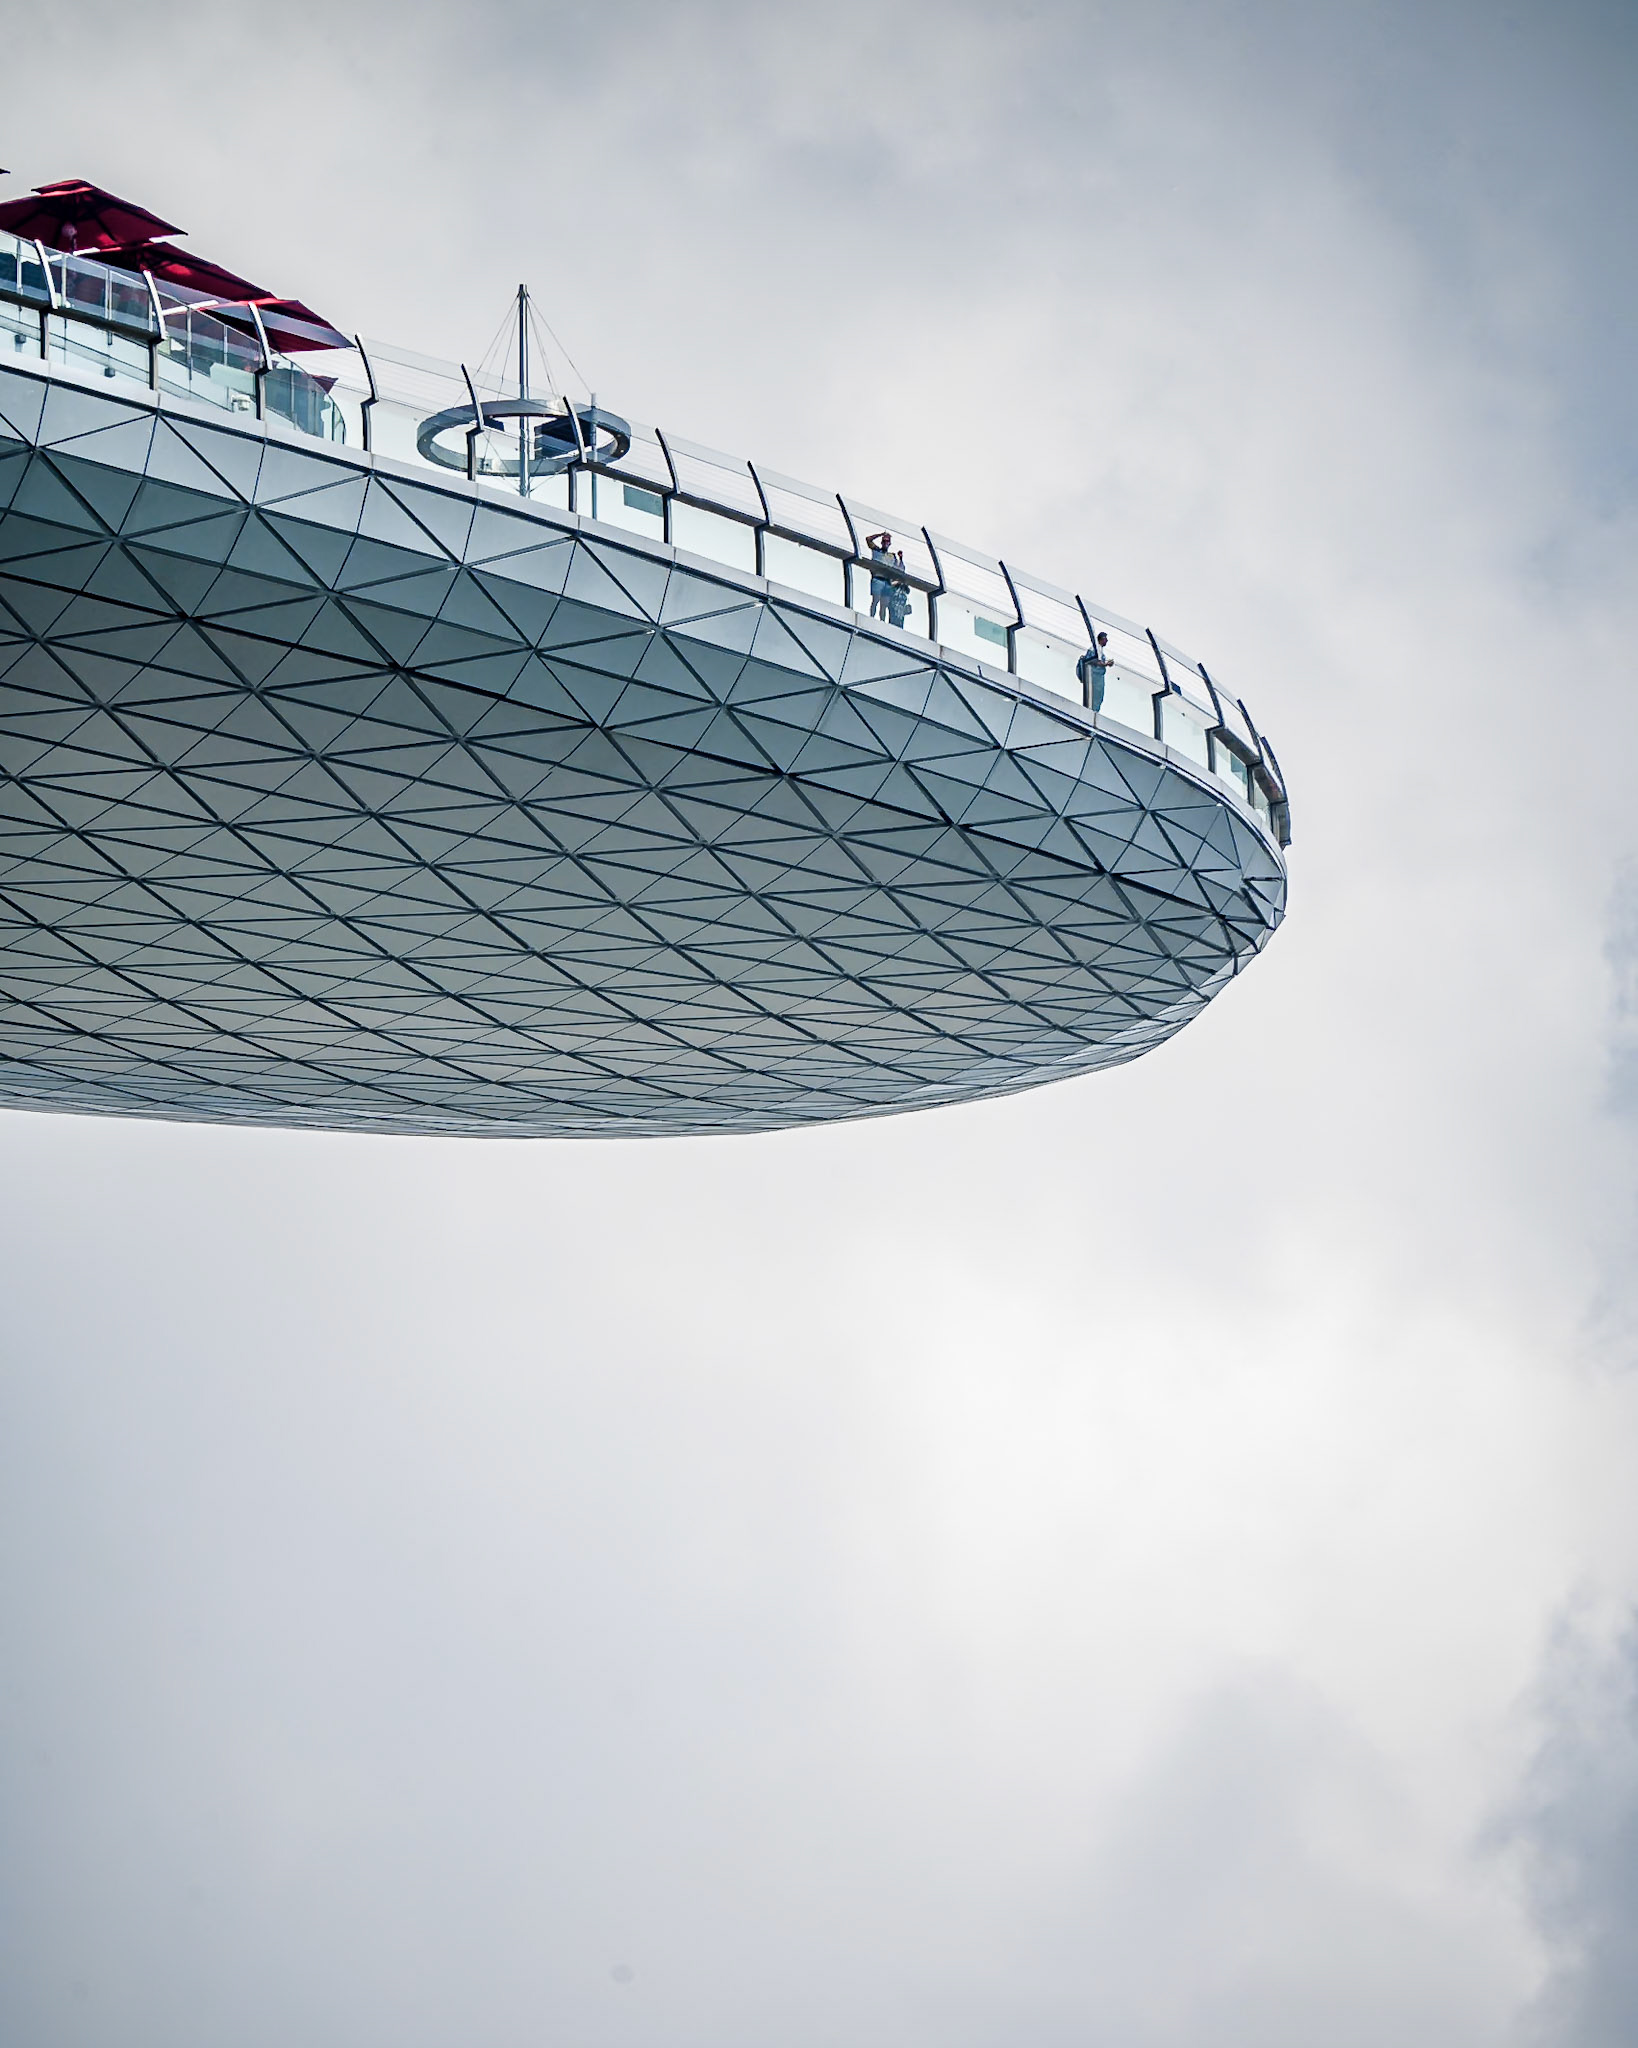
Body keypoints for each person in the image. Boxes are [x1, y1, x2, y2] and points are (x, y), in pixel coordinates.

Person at [1079, 629, 1111, 712]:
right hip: (1094, 679)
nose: (1107, 641)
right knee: (1093, 698)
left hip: (1097, 680)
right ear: (1101, 639)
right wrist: (1106, 664)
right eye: (1105, 639)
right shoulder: (1094, 649)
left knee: (1097, 697)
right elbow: (1093, 661)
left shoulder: (1099, 650)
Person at [864, 530, 893, 619]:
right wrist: (880, 534)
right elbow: (868, 539)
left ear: (889, 543)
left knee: (884, 604)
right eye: (884, 541)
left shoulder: (891, 556)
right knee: (875, 600)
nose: (885, 543)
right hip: (877, 578)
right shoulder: (876, 550)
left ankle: (882, 622)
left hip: (887, 581)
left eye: (887, 541)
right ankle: (871, 618)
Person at [886, 549, 910, 629]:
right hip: (894, 600)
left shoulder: (903, 581)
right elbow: (890, 584)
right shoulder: (892, 576)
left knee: (900, 618)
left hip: (901, 601)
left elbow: (907, 590)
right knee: (894, 617)